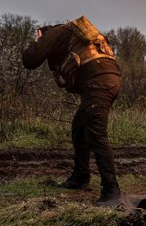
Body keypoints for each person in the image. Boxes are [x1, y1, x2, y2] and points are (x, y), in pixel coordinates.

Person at [22, 16, 124, 206]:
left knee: (96, 134)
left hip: (98, 82)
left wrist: (36, 40)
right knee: (79, 127)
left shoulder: (54, 33)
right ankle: (80, 177)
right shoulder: (77, 33)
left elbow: (30, 60)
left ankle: (112, 191)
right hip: (108, 79)